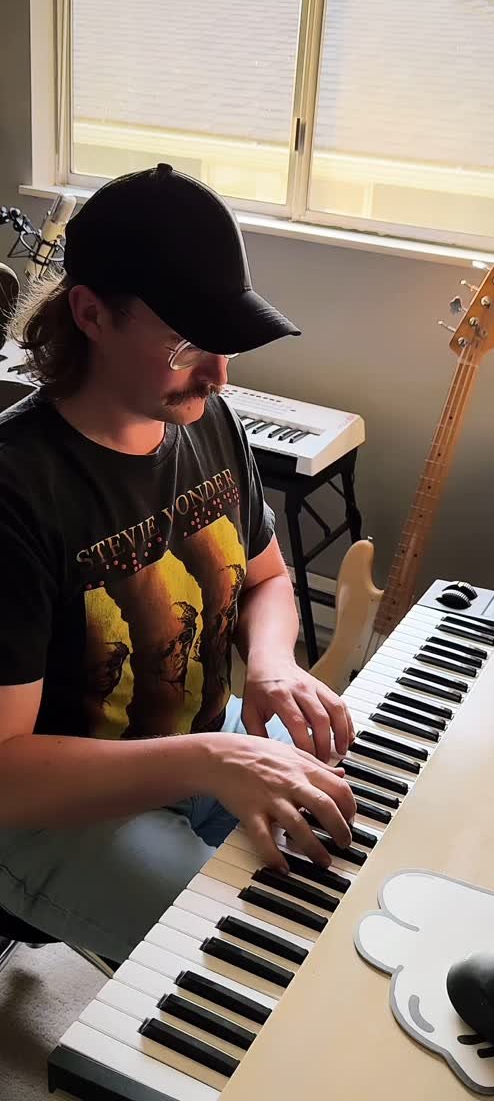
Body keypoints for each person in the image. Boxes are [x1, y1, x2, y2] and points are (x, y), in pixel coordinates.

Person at [0, 163, 356, 965]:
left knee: (353, 840)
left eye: (225, 342)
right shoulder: (16, 493)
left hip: (195, 744)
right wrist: (216, 758)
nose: (220, 373)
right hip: (48, 810)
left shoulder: (206, 421)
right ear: (91, 314)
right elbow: (6, 772)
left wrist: (272, 665)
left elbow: (266, 578)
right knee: (251, 956)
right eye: (190, 344)